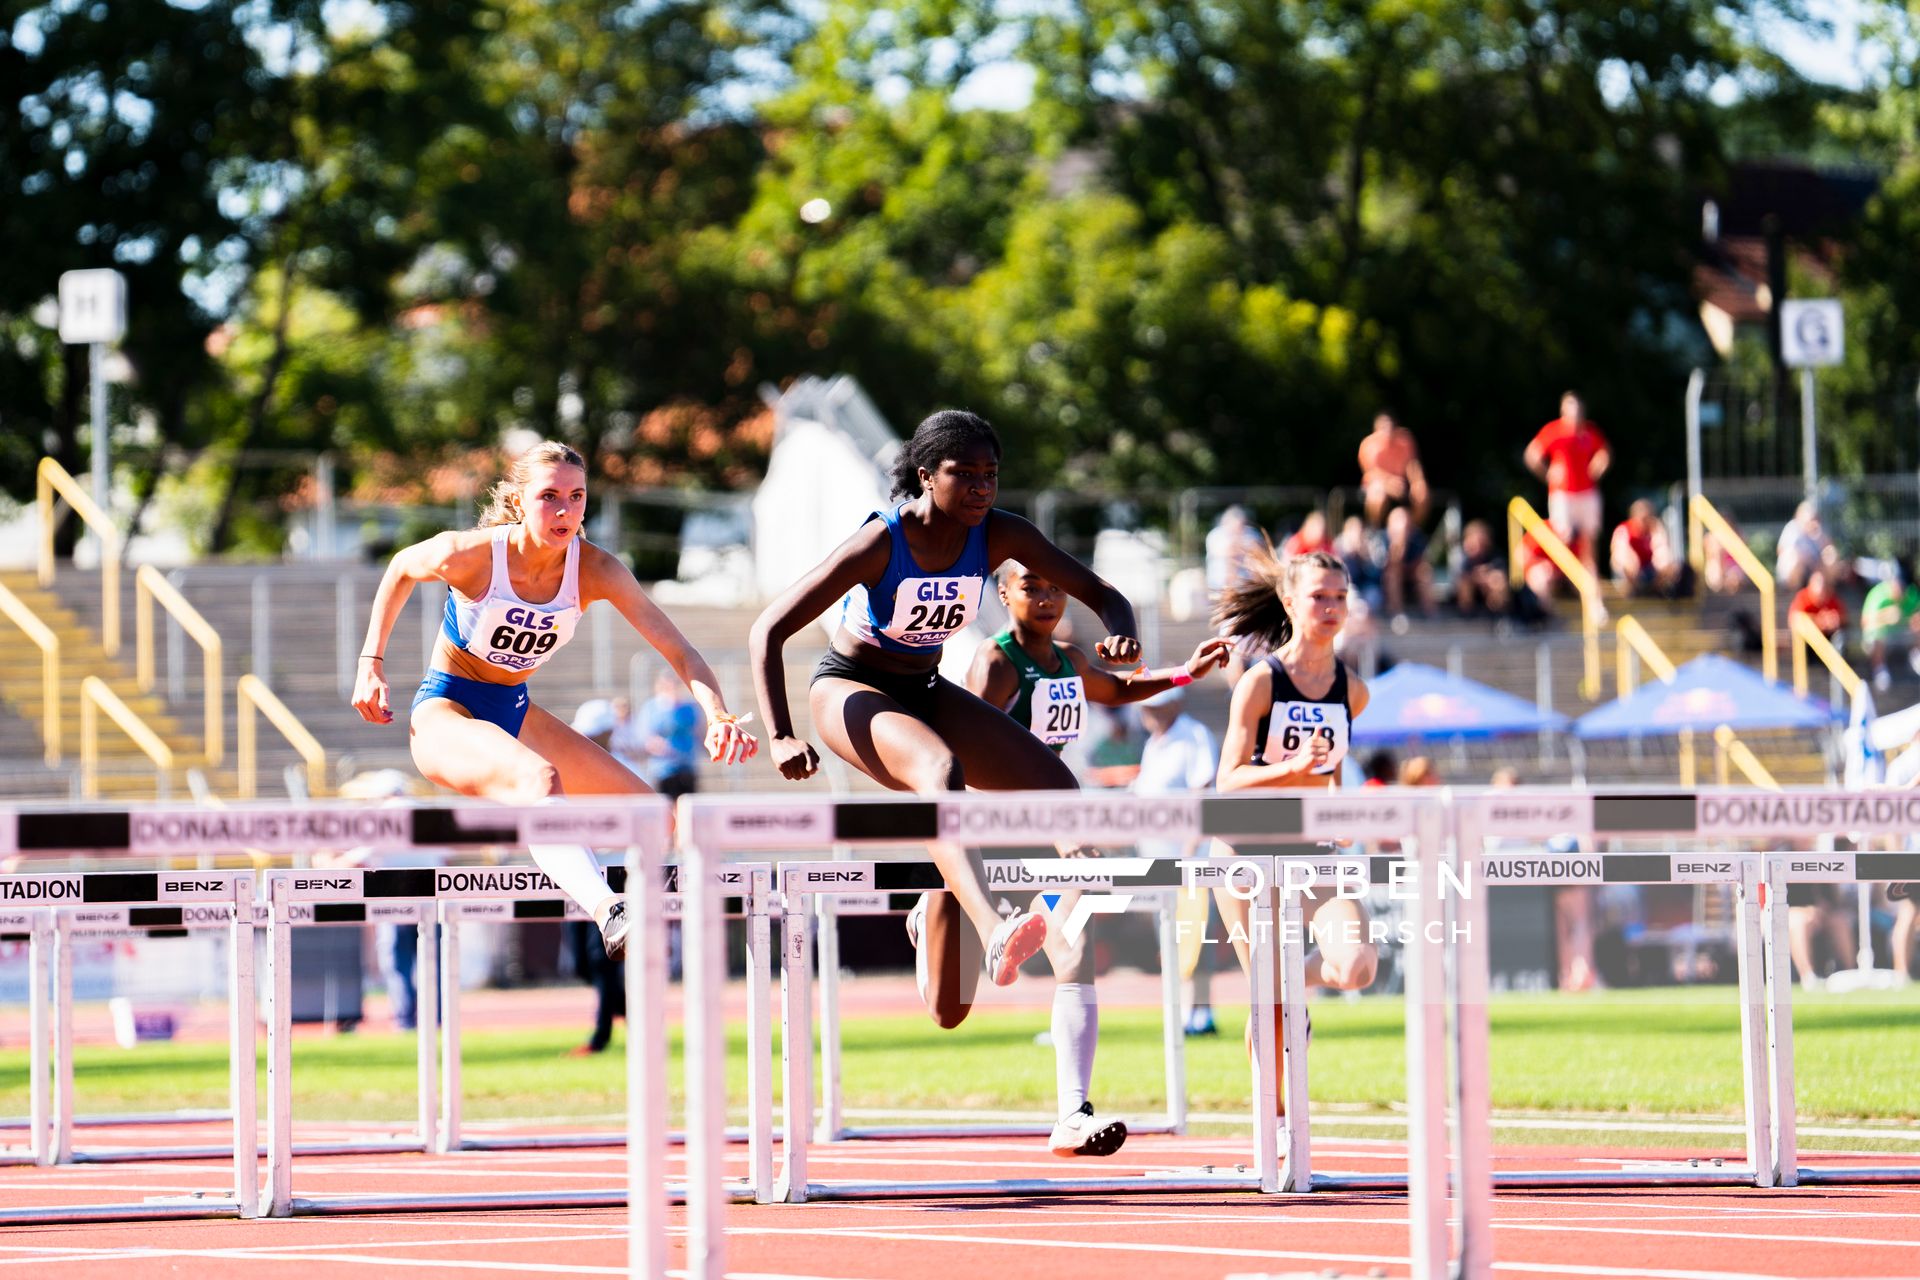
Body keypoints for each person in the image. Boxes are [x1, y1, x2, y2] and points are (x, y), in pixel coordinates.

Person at [749, 409, 1152, 1053]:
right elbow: (768, 629)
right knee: (940, 772)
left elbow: (1100, 590)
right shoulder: (881, 542)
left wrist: (1121, 631)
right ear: (924, 475)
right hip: (851, 691)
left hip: (927, 689)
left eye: (991, 475)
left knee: (1057, 787)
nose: (981, 489)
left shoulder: (998, 535)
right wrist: (779, 734)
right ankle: (994, 928)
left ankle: (941, 898)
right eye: (964, 475)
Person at [350, 440, 759, 962]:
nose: (565, 511)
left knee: (657, 818)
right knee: (539, 780)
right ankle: (610, 911)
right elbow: (402, 568)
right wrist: (371, 664)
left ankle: (658, 921)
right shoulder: (474, 554)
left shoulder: (596, 570)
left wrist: (717, 713)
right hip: (446, 712)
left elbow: (679, 649)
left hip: (514, 711)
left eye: (576, 496)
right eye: (549, 497)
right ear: (519, 501)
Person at [966, 562, 1230, 1155]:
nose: (1047, 598)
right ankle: (937, 911)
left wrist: (1188, 671)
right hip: (998, 830)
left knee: (1074, 947)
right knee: (946, 1003)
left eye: (1056, 588)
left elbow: (1121, 689)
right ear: (1004, 593)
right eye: (1031, 587)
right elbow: (966, 749)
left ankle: (1071, 1115)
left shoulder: (1071, 661)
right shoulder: (997, 661)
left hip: (1058, 829)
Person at [1209, 547, 1376, 1122]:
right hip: (1244, 849)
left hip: (1311, 849)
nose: (1330, 608)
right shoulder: (1260, 683)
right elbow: (1226, 782)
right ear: (1289, 602)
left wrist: (1340, 810)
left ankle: (1295, 971)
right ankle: (1275, 1126)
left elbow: (1330, 771)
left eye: (1339, 598)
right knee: (1270, 999)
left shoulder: (1353, 690)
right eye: (1318, 597)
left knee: (1357, 965)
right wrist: (1291, 770)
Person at [1131, 686, 1222, 1037]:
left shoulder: (1193, 736)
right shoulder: (1153, 743)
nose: (1147, 714)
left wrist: (1191, 846)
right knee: (1168, 938)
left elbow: (1203, 792)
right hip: (1156, 859)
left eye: (1155, 707)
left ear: (1175, 704)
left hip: (1187, 860)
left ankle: (1201, 1011)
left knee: (1195, 936)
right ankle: (1180, 1011)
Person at [565, 698, 629, 1055]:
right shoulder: (570, 766)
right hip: (580, 870)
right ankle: (625, 1009)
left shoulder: (628, 769)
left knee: (601, 957)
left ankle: (601, 1036)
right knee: (579, 961)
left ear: (607, 734)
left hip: (618, 873)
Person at [1525, 391, 1610, 581]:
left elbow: (1604, 453)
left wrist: (1598, 465)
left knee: (1589, 540)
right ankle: (1565, 577)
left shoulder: (1589, 432)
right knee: (1564, 536)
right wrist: (1548, 473)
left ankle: (1589, 580)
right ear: (1564, 409)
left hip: (1587, 493)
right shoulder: (1554, 430)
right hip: (1563, 493)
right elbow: (1532, 454)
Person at [629, 671, 703, 800]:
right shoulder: (651, 707)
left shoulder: (690, 706)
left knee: (687, 805)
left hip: (687, 765)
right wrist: (655, 744)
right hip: (663, 767)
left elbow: (699, 731)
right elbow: (644, 735)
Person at [1357, 411, 1428, 526]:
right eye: (1383, 426)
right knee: (1377, 494)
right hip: (1377, 485)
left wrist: (1418, 482)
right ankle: (1375, 528)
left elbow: (1412, 465)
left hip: (1401, 486)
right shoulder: (1368, 445)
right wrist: (1389, 482)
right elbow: (1370, 473)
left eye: (1390, 425)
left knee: (1422, 494)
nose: (1387, 430)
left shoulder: (1405, 441)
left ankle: (1414, 529)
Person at [1861, 559, 1920, 692]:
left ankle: (1917, 657)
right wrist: (1885, 617)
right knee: (1878, 632)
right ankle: (1879, 669)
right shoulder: (1877, 595)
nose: (1902, 590)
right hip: (1878, 639)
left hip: (1902, 635)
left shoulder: (1911, 593)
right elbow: (1865, 622)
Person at [1609, 500, 1688, 598]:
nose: (1644, 522)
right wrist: (1633, 562)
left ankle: (1654, 590)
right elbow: (1618, 551)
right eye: (1642, 518)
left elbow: (1663, 552)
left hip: (1650, 570)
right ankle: (1634, 590)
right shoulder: (1623, 530)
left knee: (1668, 560)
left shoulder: (1654, 529)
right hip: (1629, 574)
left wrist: (1657, 531)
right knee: (1622, 557)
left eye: (1647, 518)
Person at [1375, 506, 1436, 622]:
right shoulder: (1381, 539)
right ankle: (1397, 613)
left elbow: (1421, 561)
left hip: (1410, 576)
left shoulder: (1416, 537)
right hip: (1384, 581)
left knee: (1425, 572)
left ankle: (1430, 612)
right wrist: (1398, 547)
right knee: (1393, 574)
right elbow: (1382, 566)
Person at [1453, 520, 1510, 618]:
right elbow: (1460, 575)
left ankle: (1498, 614)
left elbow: (1500, 573)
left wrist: (1487, 578)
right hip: (1469, 593)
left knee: (1498, 580)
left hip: (1488, 592)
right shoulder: (1463, 558)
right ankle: (1467, 614)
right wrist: (1476, 577)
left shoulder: (1495, 556)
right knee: (1465, 583)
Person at [1205, 505, 1265, 593]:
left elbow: (1260, 552)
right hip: (1220, 584)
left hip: (1248, 583)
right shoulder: (1216, 535)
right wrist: (1243, 548)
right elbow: (1227, 552)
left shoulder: (1251, 533)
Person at [1775, 501, 1832, 592]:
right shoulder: (1792, 528)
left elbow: (1829, 548)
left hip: (1813, 570)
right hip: (1794, 571)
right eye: (1811, 519)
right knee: (1795, 558)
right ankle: (1794, 592)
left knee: (1831, 556)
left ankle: (1828, 590)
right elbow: (1781, 550)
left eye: (1815, 518)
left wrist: (1821, 537)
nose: (1814, 522)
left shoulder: (1818, 531)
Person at [1789, 567, 1847, 645]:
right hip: (1808, 640)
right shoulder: (1803, 597)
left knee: (1840, 637)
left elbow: (1843, 618)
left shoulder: (1831, 597)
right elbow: (1795, 619)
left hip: (1827, 637)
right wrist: (1819, 621)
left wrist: (1836, 620)